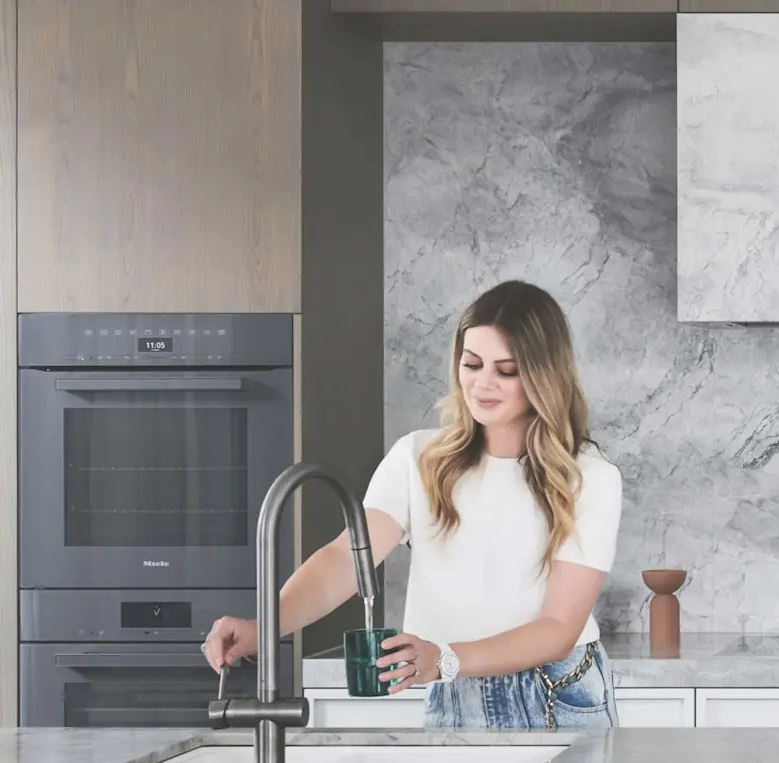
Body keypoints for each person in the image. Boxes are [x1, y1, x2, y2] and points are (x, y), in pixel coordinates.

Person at [201, 279, 623, 729]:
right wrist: (262, 628)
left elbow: (559, 629)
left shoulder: (588, 477)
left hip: (554, 692)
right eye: (472, 363)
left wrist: (443, 659)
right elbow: (344, 560)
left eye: (507, 370)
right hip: (452, 688)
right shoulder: (419, 459)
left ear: (544, 376)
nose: (482, 383)